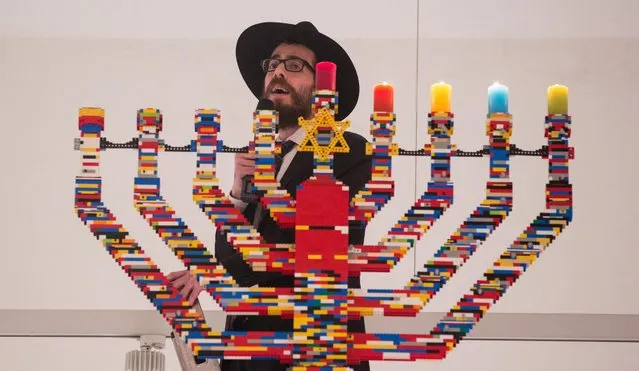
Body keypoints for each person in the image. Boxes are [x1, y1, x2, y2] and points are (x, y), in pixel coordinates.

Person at [168, 20, 372, 371]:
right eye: (273, 64)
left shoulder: (349, 151)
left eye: (294, 66)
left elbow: (310, 241)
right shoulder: (261, 158)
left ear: (322, 88)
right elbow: (230, 251)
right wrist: (238, 196)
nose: (278, 72)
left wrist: (211, 272)